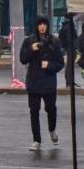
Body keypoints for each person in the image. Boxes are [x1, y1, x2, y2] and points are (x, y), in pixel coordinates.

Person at [19, 17, 64, 150]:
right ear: (36, 26)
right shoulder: (29, 40)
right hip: (33, 82)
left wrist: (49, 65)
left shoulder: (54, 41)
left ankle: (52, 129)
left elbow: (60, 62)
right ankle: (37, 140)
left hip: (49, 82)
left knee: (51, 109)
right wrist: (31, 49)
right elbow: (23, 59)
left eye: (44, 24)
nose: (42, 27)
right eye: (40, 24)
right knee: (34, 111)